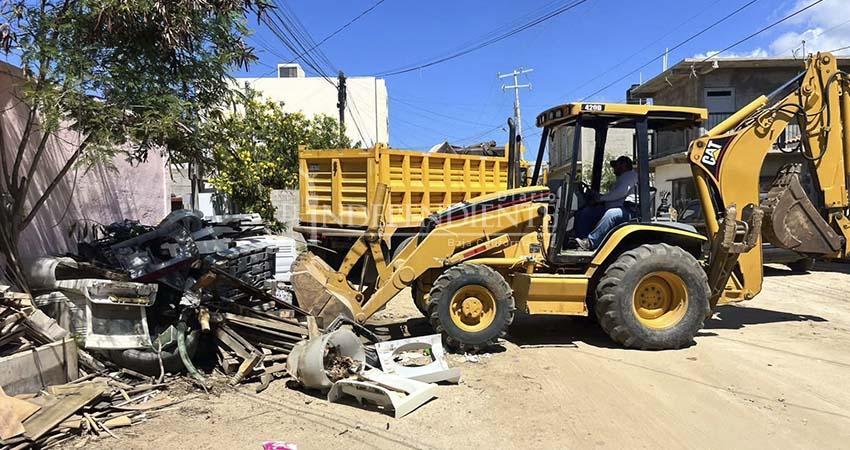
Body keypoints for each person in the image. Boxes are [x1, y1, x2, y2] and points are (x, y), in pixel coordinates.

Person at [574, 155, 638, 250]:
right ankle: (580, 240)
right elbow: (614, 195)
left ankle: (591, 242)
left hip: (631, 211)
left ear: (623, 166)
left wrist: (601, 198)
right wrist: (599, 197)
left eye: (616, 165)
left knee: (611, 214)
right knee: (587, 212)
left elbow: (619, 193)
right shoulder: (624, 178)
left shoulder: (629, 175)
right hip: (620, 207)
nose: (614, 168)